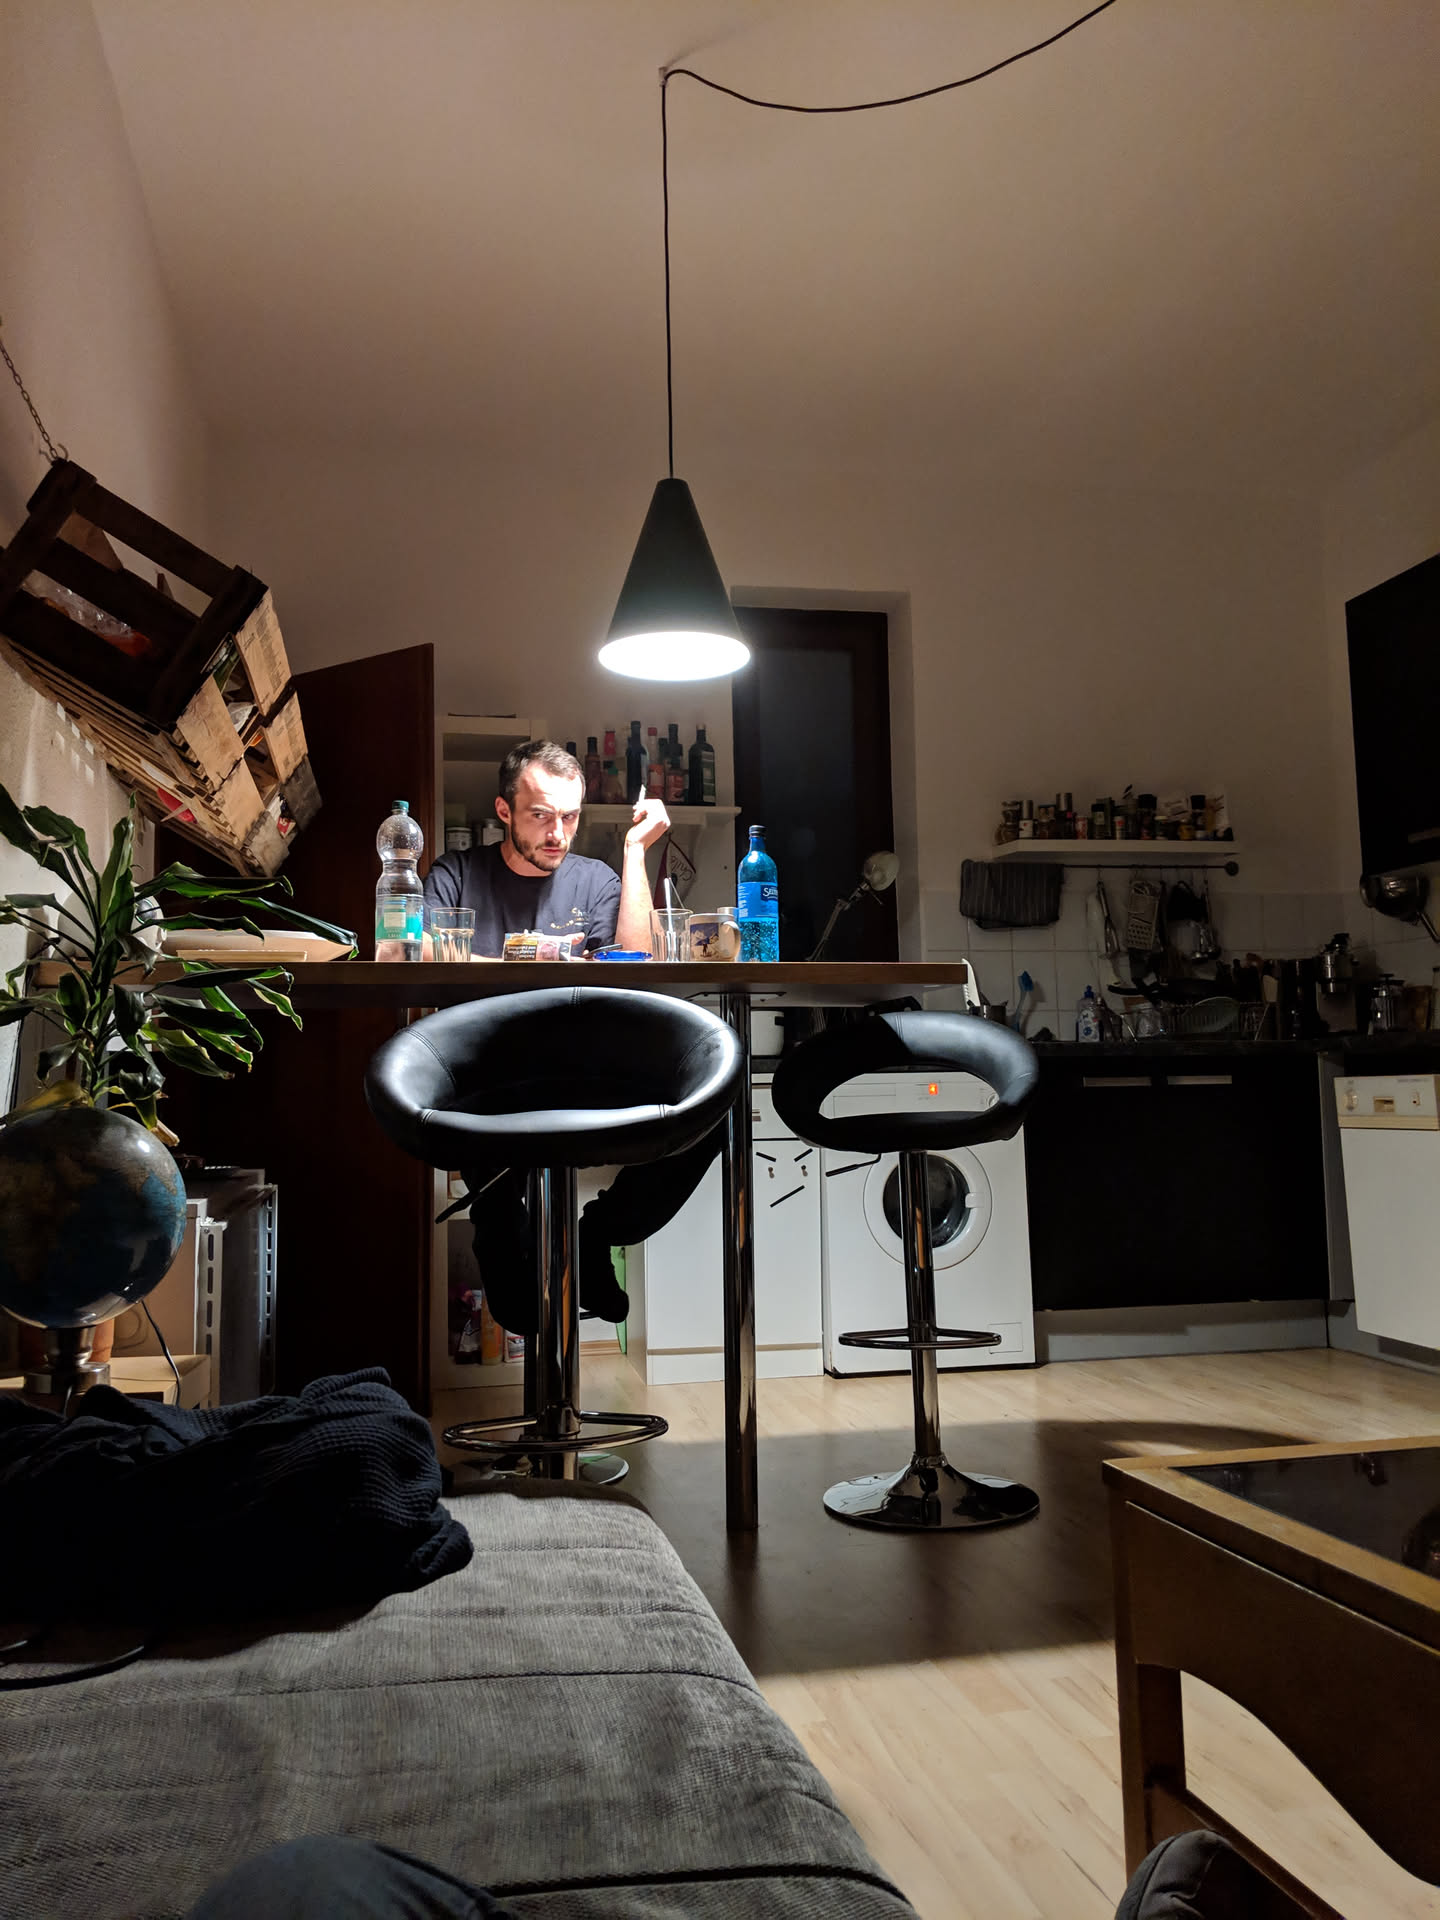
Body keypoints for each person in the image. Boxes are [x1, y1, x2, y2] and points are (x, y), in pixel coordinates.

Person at [422, 740, 722, 1336]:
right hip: (489, 1079)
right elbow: (417, 952)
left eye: (570, 816)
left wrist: (635, 851)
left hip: (582, 1069)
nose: (557, 833)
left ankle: (598, 1234)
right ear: (505, 810)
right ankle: (499, 1215)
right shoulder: (456, 873)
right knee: (511, 1259)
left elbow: (635, 963)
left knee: (715, 1106)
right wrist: (523, 962)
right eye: (540, 815)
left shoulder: (594, 878)